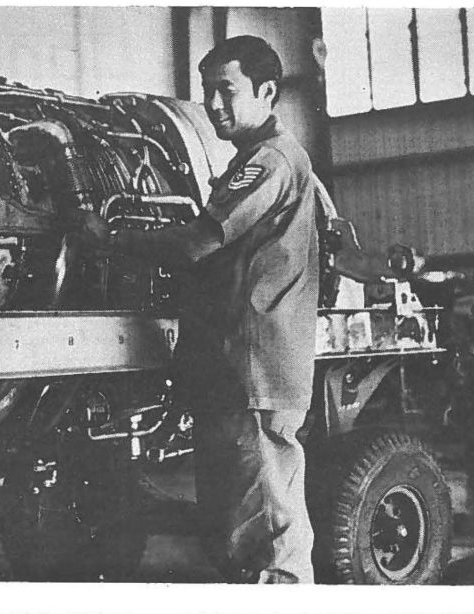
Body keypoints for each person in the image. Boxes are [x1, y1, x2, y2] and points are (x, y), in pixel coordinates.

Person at [79, 35, 318, 583]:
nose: (212, 105)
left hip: (254, 368)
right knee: (236, 521)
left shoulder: (270, 162)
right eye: (207, 92)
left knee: (267, 528)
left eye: (225, 91)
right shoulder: (256, 160)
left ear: (266, 91)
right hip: (235, 366)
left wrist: (110, 238)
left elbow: (196, 244)